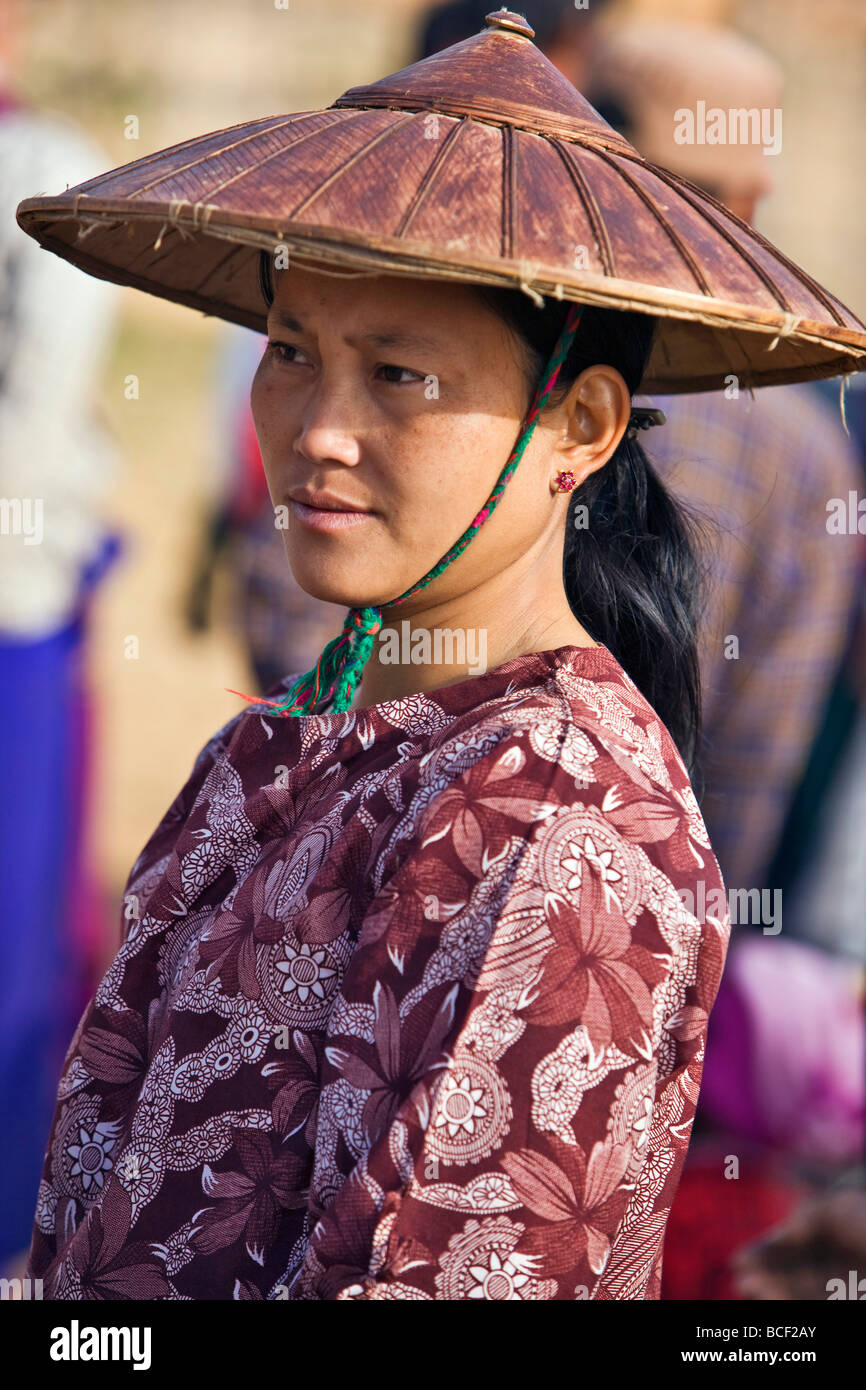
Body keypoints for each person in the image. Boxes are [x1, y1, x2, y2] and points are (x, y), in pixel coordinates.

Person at [16, 10, 863, 1301]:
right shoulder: (271, 743)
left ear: (577, 422)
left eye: (397, 375)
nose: (319, 429)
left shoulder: (567, 830)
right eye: (292, 352)